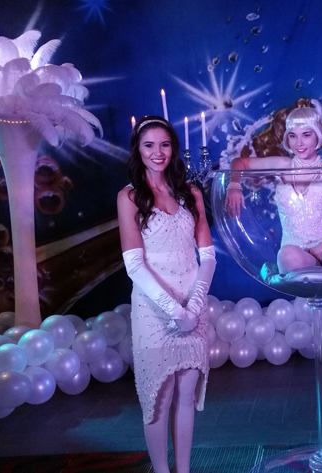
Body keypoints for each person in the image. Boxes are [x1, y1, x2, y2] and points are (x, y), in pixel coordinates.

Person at [117, 116, 215, 473]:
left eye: (164, 145)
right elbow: (134, 264)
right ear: (138, 150)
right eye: (148, 145)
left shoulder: (192, 193)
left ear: (173, 149)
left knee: (186, 397)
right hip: (153, 308)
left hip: (194, 303)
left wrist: (195, 304)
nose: (157, 153)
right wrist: (174, 309)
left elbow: (207, 255)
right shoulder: (129, 197)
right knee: (158, 399)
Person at [225, 102, 322, 274]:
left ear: (317, 135)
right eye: (293, 136)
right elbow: (240, 162)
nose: (299, 143)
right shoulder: (281, 165)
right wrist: (234, 185)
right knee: (288, 257)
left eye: (306, 135)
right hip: (294, 252)